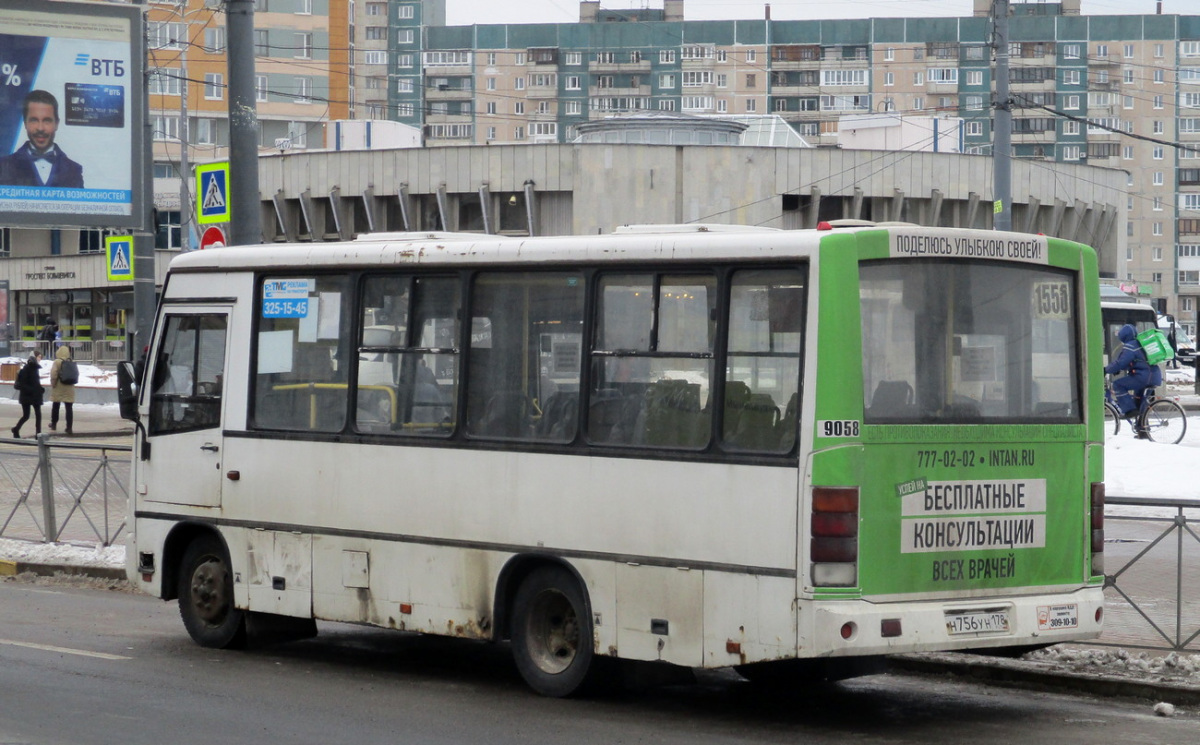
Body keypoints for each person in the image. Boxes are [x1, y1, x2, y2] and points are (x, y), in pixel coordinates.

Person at [0, 90, 84, 188]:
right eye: (34, 120)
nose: (40, 128)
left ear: (56, 124)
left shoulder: (74, 170)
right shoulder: (4, 166)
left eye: (47, 121)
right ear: (25, 123)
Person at [1105, 324, 1161, 429]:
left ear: (1124, 336)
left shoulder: (1130, 346)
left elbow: (1121, 362)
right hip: (1154, 376)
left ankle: (1129, 410)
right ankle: (1143, 430)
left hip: (1144, 377)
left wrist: (1106, 370)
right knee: (1139, 402)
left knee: (1118, 385)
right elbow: (1136, 361)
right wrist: (1119, 370)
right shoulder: (1140, 343)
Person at [11, 351, 44, 438]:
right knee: (26, 416)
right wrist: (34, 390)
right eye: (39, 357)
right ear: (34, 358)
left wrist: (40, 389)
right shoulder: (26, 369)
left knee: (38, 415)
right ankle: (16, 429)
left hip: (34, 395)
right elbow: (23, 384)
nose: (40, 359)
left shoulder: (35, 369)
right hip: (27, 396)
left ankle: (38, 434)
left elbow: (35, 382)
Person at [49, 345, 75, 434]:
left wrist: (53, 383)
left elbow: (54, 374)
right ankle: (69, 427)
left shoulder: (57, 362)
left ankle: (54, 424)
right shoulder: (71, 361)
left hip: (59, 387)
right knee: (69, 408)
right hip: (69, 387)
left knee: (56, 406)